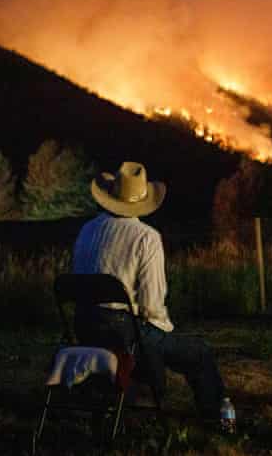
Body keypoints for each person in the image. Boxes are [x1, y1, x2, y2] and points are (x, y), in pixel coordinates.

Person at [72, 161, 226, 420]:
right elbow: (152, 304)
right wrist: (165, 331)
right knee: (198, 352)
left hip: (84, 325)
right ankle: (217, 416)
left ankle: (124, 393)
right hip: (125, 333)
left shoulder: (87, 230)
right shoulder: (146, 237)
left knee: (155, 343)